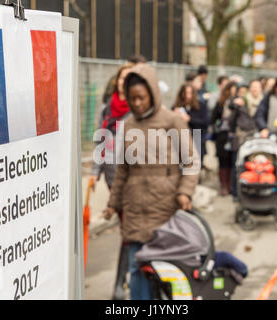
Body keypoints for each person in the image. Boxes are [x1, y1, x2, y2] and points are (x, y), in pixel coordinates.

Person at [103, 63, 200, 300]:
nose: (137, 103)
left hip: (166, 209)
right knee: (137, 267)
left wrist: (185, 192)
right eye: (132, 99)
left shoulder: (172, 121)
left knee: (166, 269)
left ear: (153, 93)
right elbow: (122, 171)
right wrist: (112, 204)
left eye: (141, 98)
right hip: (135, 208)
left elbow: (191, 161)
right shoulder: (127, 126)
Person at [90, 62, 134, 300]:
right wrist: (95, 171)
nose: (124, 83)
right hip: (111, 175)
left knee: (129, 229)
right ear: (116, 81)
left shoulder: (138, 108)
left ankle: (122, 283)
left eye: (130, 79)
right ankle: (123, 282)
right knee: (128, 229)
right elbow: (100, 139)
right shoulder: (108, 108)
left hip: (134, 178)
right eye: (121, 78)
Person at [211, 81, 238, 196]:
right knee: (223, 160)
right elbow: (213, 118)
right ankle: (223, 185)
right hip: (222, 135)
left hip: (234, 135)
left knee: (232, 161)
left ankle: (230, 185)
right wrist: (216, 129)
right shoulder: (220, 104)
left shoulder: (238, 103)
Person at [173, 84, 209, 163]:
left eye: (190, 93)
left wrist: (190, 119)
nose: (188, 96)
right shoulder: (176, 107)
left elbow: (205, 122)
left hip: (197, 141)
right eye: (185, 93)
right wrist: (174, 116)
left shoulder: (201, 106)